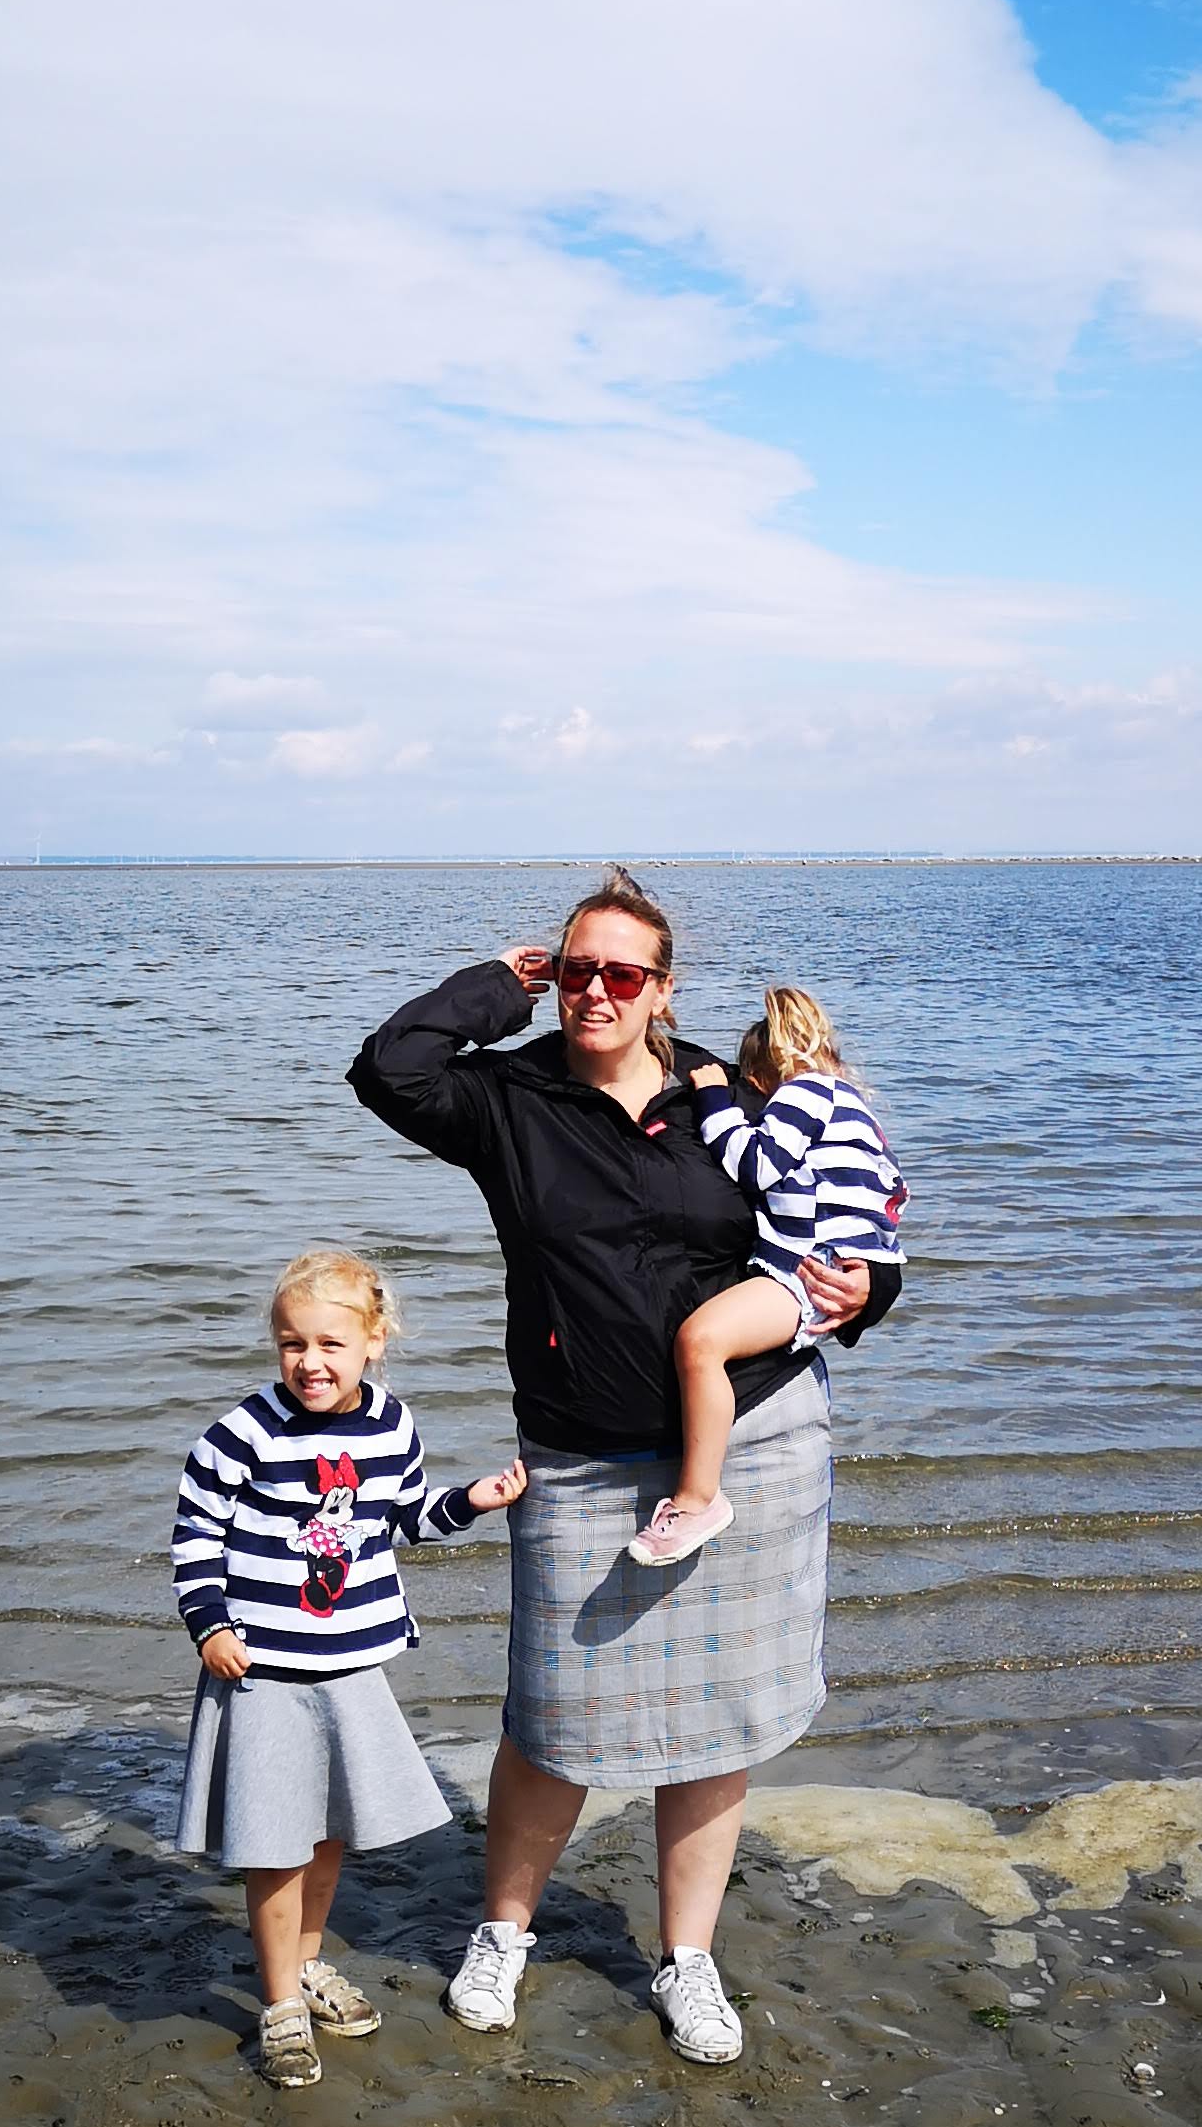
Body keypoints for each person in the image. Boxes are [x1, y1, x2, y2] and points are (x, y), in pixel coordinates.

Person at [347, 871, 901, 2067]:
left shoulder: (721, 1088)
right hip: (581, 1453)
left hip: (752, 1440)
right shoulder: (509, 1098)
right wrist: (499, 987)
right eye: (578, 969)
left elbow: (838, 1198)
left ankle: (687, 1958)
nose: (597, 991)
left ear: (663, 989)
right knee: (552, 1719)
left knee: (717, 1720)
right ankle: (504, 1933)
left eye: (623, 973)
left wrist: (870, 1290)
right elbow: (388, 1068)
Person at [170, 1247, 526, 2089]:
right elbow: (195, 1538)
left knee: (328, 1834)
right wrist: (210, 1624)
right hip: (262, 1667)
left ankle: (305, 1965)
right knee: (274, 1845)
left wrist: (470, 1502)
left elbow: (403, 1516)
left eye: (331, 1344)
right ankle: (278, 2005)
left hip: (350, 1664)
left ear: (375, 1340)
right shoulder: (243, 1433)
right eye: (293, 1344)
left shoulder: (392, 1424)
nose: (311, 1363)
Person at [632, 987, 908, 1567]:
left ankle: (698, 1498)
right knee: (706, 1343)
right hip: (831, 1270)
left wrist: (714, 1101)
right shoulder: (856, 1109)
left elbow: (755, 1164)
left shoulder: (804, 1092)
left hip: (805, 1271)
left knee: (700, 1343)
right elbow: (887, 1201)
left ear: (762, 1074)